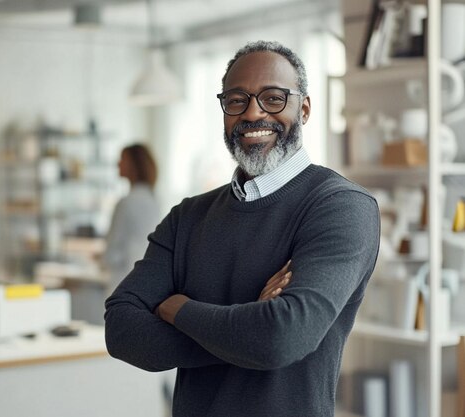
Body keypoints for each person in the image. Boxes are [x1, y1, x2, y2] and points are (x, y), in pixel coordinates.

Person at [104, 40, 380, 417]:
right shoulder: (188, 216)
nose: (253, 112)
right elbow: (120, 329)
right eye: (237, 100)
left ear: (304, 108)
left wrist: (178, 308)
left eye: (273, 98)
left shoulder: (340, 206)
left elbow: (282, 337)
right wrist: (248, 326)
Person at [103, 143, 161, 295]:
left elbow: (111, 254)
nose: (118, 164)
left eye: (122, 159)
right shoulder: (152, 199)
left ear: (134, 165)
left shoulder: (126, 202)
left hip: (122, 280)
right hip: (145, 281)